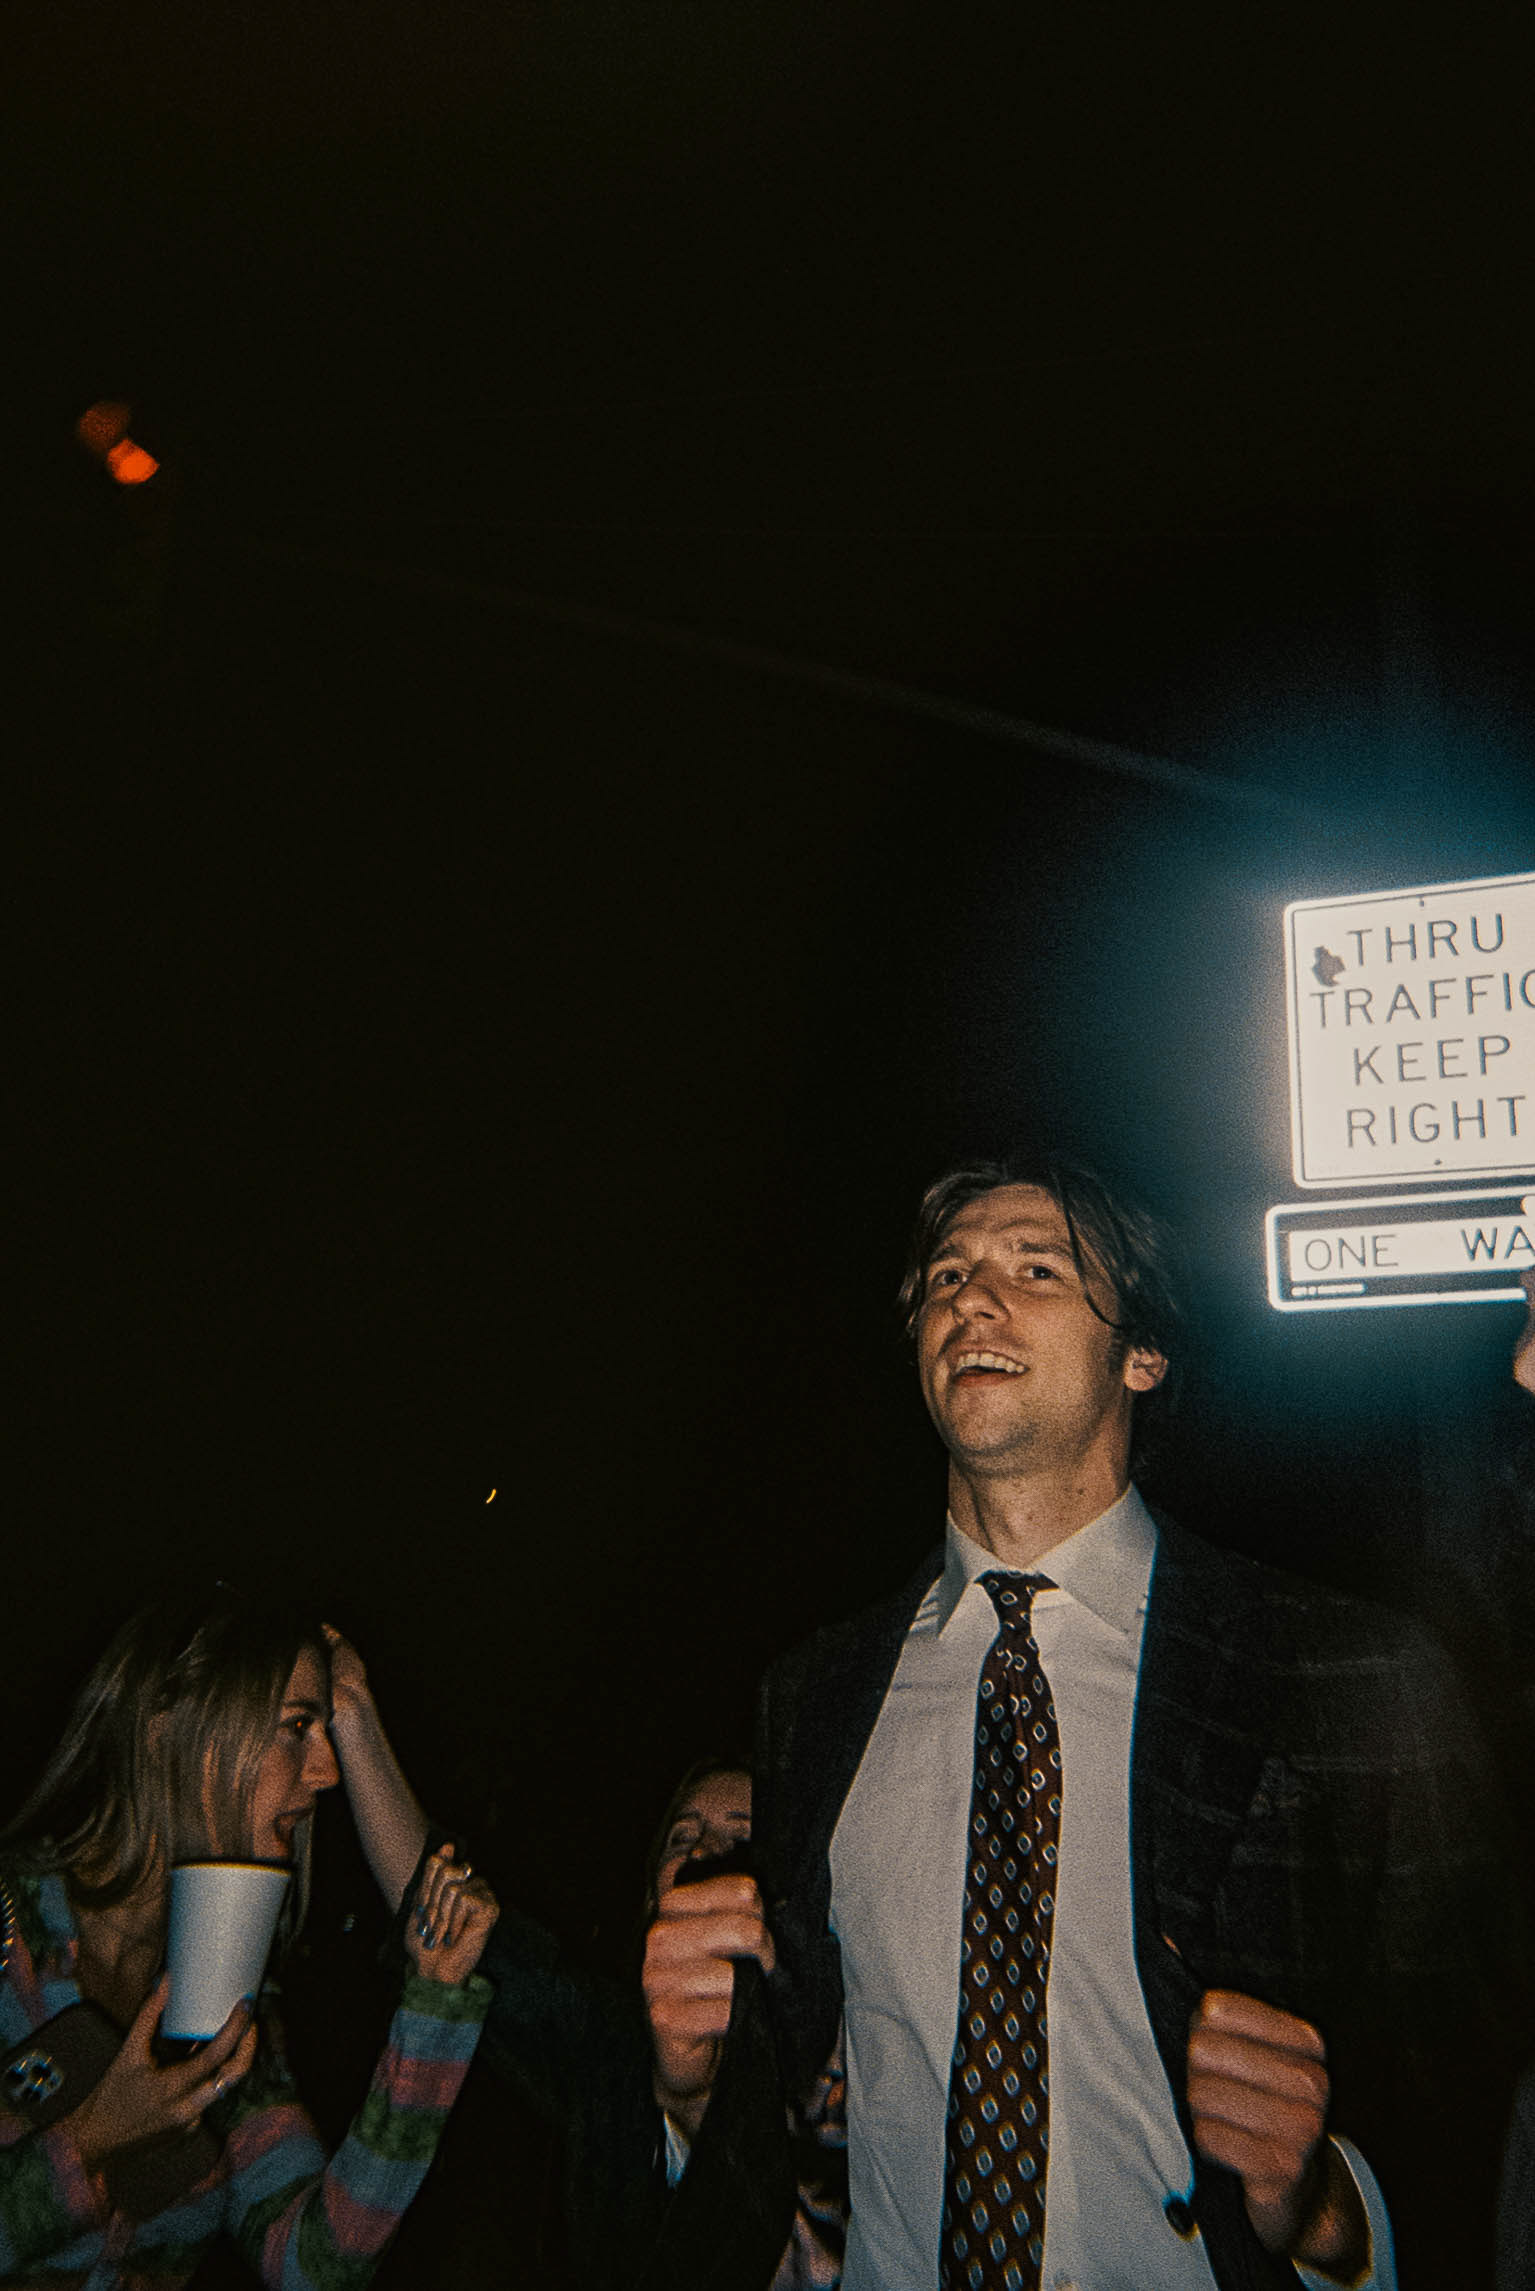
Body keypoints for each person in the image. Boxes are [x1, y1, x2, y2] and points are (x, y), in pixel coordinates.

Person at [645, 1153, 1526, 2290]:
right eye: (946, 1275)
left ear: (1140, 1354)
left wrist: (1326, 2207)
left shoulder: (1342, 1672)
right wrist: (691, 2090)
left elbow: (1471, 2084)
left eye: (1035, 1268)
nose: (971, 1298)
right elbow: (792, 2094)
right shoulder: (811, 1696)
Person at [0, 1588, 497, 2288]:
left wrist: (434, 2005)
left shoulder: (216, 1988)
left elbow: (314, 2266)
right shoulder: (12, 1933)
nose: (326, 1772)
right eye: (297, 1726)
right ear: (168, 1729)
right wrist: (88, 2143)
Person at [323, 1634, 843, 2289]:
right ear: (650, 1896)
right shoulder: (607, 2046)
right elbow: (440, 1907)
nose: (701, 1853)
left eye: (740, 1836)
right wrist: (351, 1708)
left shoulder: (846, 2044)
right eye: (681, 1836)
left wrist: (704, 2101)